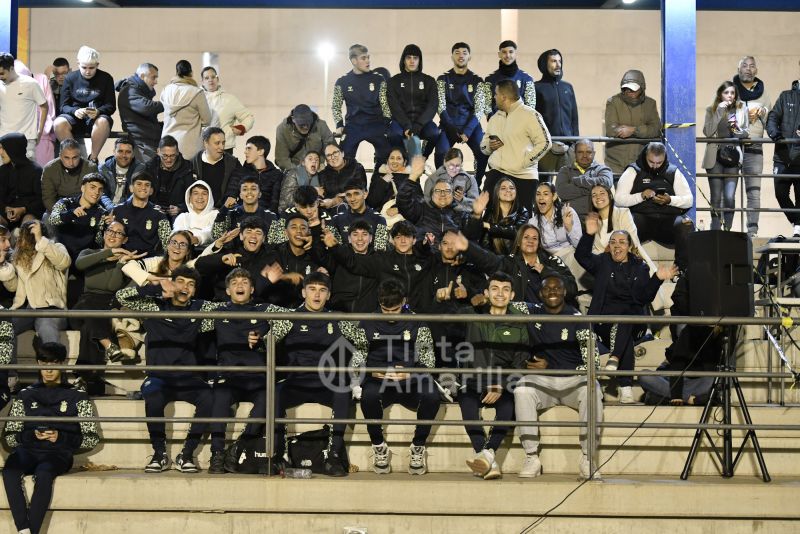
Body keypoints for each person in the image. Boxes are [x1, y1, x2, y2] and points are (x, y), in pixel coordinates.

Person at [115, 266, 222, 473]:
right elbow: (122, 297)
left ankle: (187, 454)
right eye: (180, 282)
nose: (185, 287)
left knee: (209, 398)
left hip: (188, 377)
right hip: (159, 376)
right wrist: (154, 288)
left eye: (191, 285)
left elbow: (228, 310)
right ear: (172, 283)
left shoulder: (200, 308)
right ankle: (159, 453)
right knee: (153, 394)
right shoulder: (155, 305)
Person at [265, 271, 361, 477]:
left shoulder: (337, 319)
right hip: (296, 381)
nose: (317, 295)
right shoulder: (289, 318)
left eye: (322, 290)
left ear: (328, 295)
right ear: (303, 292)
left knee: (343, 391)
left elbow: (363, 341)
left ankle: (333, 456)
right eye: (312, 289)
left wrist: (356, 373)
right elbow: (268, 342)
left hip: (326, 382)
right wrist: (258, 339)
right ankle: (278, 455)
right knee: (275, 392)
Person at [576, 220, 678, 404]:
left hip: (631, 324)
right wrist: (589, 234)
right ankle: (612, 387)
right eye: (613, 242)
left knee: (625, 318)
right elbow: (581, 256)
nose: (617, 246)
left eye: (622, 242)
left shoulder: (639, 266)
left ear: (629, 246)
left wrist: (657, 279)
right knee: (605, 331)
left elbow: (643, 298)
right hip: (602, 324)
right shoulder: (602, 262)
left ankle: (617, 365)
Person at [2, 341, 99, 534]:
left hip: (59, 453)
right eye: (43, 364)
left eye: (53, 364)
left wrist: (60, 437)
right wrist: (30, 435)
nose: (48, 370)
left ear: (62, 364)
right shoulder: (25, 395)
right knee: (10, 471)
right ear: (38, 363)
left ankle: (32, 530)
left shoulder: (78, 395)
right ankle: (24, 529)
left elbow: (91, 438)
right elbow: (10, 436)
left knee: (45, 474)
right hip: (27, 450)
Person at [513, 275, 602, 480]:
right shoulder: (533, 312)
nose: (552, 292)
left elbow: (593, 363)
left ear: (564, 292)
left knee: (592, 386)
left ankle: (588, 459)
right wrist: (482, 297)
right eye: (547, 289)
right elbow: (506, 302)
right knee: (522, 388)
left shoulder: (578, 319)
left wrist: (553, 365)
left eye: (557, 288)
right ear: (540, 293)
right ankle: (531, 457)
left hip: (572, 380)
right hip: (545, 382)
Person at [352, 278, 440, 476]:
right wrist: (370, 372)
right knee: (369, 396)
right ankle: (378, 446)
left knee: (432, 396)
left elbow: (429, 361)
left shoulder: (418, 322)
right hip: (378, 377)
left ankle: (418, 446)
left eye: (396, 310)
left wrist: (410, 372)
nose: (390, 315)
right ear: (379, 304)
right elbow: (357, 360)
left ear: (404, 302)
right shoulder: (366, 323)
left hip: (411, 377)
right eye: (386, 310)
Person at [458, 271, 526, 480]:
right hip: (474, 379)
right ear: (486, 292)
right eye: (495, 289)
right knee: (468, 406)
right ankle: (488, 459)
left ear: (512, 295)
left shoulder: (520, 321)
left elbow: (520, 360)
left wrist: (502, 384)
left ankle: (486, 456)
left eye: (505, 290)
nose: (500, 294)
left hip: (501, 380)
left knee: (508, 407)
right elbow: (445, 316)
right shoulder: (474, 314)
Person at [207, 268, 271, 473]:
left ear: (252, 289)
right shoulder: (217, 312)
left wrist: (264, 336)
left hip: (256, 376)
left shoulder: (264, 311)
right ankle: (217, 454)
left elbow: (291, 319)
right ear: (227, 290)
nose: (240, 286)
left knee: (269, 396)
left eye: (244, 282)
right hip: (228, 375)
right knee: (220, 397)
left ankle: (240, 445)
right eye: (235, 283)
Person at [72, 220, 143, 393]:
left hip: (107, 306)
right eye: (110, 230)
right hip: (84, 304)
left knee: (89, 327)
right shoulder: (89, 252)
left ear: (124, 240)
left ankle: (84, 377)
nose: (113, 235)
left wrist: (119, 263)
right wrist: (108, 253)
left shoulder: (126, 263)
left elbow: (111, 287)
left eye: (119, 233)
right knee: (89, 310)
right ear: (103, 234)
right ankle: (107, 344)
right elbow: (79, 264)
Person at [614, 142, 694, 271]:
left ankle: (682, 271)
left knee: (686, 225)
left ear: (664, 158)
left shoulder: (673, 171)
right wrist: (641, 196)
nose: (655, 166)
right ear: (646, 156)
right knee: (629, 222)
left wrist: (670, 200)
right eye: (651, 162)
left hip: (668, 221)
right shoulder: (633, 170)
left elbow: (689, 200)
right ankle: (626, 270)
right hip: (642, 219)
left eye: (659, 163)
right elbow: (618, 200)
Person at [453, 224, 577, 306]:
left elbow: (572, 289)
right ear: (518, 242)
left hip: (551, 318)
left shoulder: (552, 261)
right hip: (522, 322)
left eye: (534, 238)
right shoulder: (510, 262)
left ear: (539, 243)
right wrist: (468, 247)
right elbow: (490, 261)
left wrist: (546, 272)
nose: (530, 241)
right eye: (526, 237)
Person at [481, 79, 552, 212]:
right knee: (487, 217)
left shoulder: (530, 115)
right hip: (496, 174)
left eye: (495, 94)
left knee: (522, 225)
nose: (494, 97)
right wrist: (489, 146)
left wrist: (525, 161)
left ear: (503, 97)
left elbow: (546, 142)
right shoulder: (495, 117)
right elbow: (483, 146)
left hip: (523, 177)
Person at [8, 220, 70, 351]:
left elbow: (63, 263)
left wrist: (40, 239)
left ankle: (52, 367)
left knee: (46, 327)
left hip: (52, 308)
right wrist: (3, 268)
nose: (20, 240)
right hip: (29, 309)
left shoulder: (55, 247)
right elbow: (15, 287)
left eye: (24, 235)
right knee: (5, 328)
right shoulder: (19, 257)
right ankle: (8, 370)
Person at [53, 46, 115, 163]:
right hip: (74, 116)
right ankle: (75, 157)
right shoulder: (70, 78)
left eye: (91, 68)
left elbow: (111, 105)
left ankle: (93, 158)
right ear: (78, 64)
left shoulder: (106, 78)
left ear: (97, 65)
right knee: (58, 123)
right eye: (84, 67)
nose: (87, 71)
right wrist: (75, 111)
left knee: (102, 121)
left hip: (97, 117)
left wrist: (98, 111)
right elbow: (63, 106)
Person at [437, 42, 488, 183]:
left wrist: (468, 130)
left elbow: (479, 109)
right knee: (441, 152)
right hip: (449, 124)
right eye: (457, 53)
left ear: (469, 57)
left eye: (464, 53)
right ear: (452, 56)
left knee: (483, 152)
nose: (461, 56)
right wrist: (452, 129)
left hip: (470, 125)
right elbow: (440, 107)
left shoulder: (477, 81)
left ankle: (476, 183)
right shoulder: (442, 79)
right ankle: (443, 184)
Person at [702, 81, 750, 231]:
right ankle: (715, 228)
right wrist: (718, 113)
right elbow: (708, 132)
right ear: (720, 94)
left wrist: (737, 131)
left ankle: (727, 228)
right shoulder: (712, 110)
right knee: (716, 196)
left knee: (729, 197)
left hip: (733, 156)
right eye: (726, 93)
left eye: (732, 93)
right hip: (715, 156)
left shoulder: (741, 109)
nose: (729, 96)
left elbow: (746, 132)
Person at [332, 44, 392, 164]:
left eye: (368, 57)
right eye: (363, 58)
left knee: (387, 156)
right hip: (353, 125)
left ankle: (379, 179)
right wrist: (339, 124)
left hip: (376, 124)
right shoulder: (342, 81)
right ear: (354, 61)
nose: (368, 61)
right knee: (343, 158)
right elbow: (336, 106)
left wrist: (386, 122)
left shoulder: (379, 79)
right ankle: (350, 181)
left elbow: (385, 104)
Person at [733, 56, 771, 237]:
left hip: (755, 147)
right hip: (731, 146)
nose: (748, 69)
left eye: (752, 66)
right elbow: (721, 111)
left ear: (756, 70)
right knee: (728, 192)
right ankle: (725, 230)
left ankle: (752, 232)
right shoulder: (730, 89)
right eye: (745, 66)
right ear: (738, 69)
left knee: (754, 193)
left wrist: (762, 112)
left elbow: (770, 120)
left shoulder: (764, 93)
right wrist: (741, 113)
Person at [530, 181, 588, 293]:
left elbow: (579, 245)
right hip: (554, 262)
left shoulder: (567, 212)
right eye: (538, 194)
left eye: (546, 194)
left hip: (573, 255)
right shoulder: (533, 222)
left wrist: (569, 227)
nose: (541, 197)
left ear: (554, 196)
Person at [387, 44, 441, 161]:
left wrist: (418, 125)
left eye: (415, 58)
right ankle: (403, 157)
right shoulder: (393, 81)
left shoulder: (429, 81)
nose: (412, 61)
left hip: (422, 122)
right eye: (408, 58)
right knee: (393, 134)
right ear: (403, 60)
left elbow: (432, 105)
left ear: (419, 60)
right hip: (400, 122)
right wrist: (406, 125)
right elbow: (394, 105)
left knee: (434, 133)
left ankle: (423, 156)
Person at [397, 156, 469, 241]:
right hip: (425, 253)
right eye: (438, 191)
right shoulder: (421, 209)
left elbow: (472, 234)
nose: (442, 194)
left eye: (447, 191)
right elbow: (403, 202)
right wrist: (413, 176)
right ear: (432, 194)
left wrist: (477, 216)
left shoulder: (461, 212)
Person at [604, 70, 661, 175]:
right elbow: (611, 130)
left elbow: (656, 129)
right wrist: (643, 129)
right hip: (616, 163)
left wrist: (633, 130)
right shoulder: (613, 102)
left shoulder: (650, 104)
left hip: (642, 163)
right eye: (626, 88)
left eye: (633, 89)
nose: (629, 91)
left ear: (642, 88)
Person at [535, 49, 579, 175]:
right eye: (554, 61)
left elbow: (574, 118)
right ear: (544, 64)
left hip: (567, 148)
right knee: (543, 186)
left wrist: (574, 143)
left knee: (568, 185)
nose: (558, 64)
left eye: (560, 61)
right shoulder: (536, 88)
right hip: (546, 148)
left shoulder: (568, 87)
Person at [766, 76, 800, 236]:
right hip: (782, 155)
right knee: (780, 194)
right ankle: (798, 221)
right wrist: (775, 133)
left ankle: (798, 229)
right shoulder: (786, 96)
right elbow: (772, 117)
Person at [49, 173, 106, 263]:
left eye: (100, 189)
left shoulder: (101, 212)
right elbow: (52, 219)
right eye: (92, 187)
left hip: (83, 259)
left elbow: (98, 242)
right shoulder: (65, 203)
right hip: (62, 255)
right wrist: (71, 213)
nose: (97, 192)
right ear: (82, 188)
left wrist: (108, 227)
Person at [160, 60, 212, 160]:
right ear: (191, 73)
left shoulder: (166, 90)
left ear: (176, 73)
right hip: (190, 146)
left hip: (166, 145)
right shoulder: (196, 93)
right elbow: (207, 120)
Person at [108, 173, 171, 255]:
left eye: (147, 185)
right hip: (120, 257)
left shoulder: (159, 215)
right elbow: (103, 237)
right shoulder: (117, 210)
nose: (143, 187)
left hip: (147, 261)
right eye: (139, 184)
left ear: (151, 191)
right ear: (131, 188)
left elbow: (167, 243)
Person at [0, 53, 48, 160]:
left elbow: (44, 106)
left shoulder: (31, 84)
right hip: (3, 139)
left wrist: (40, 131)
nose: (0, 76)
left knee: (26, 175)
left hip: (27, 140)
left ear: (12, 68)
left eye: (2, 73)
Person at [463, 180, 528, 255]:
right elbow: (477, 236)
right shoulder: (489, 211)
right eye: (503, 188)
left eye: (511, 188)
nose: (508, 190)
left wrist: (489, 225)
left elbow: (517, 232)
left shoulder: (522, 211)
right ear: (497, 192)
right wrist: (476, 215)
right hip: (491, 258)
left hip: (514, 259)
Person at [115, 62, 163, 163]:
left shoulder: (138, 90)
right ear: (142, 76)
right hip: (141, 145)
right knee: (146, 175)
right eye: (153, 77)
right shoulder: (129, 90)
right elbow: (147, 108)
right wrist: (166, 104)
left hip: (146, 143)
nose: (156, 81)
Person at [555, 139, 613, 222]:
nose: (584, 155)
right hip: (570, 220)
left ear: (594, 153)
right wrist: (593, 191)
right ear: (575, 153)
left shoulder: (603, 169)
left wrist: (580, 180)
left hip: (598, 220)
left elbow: (606, 183)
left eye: (588, 152)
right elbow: (562, 192)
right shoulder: (565, 170)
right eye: (580, 152)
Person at [328, 220, 379, 313]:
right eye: (355, 234)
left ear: (371, 238)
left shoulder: (378, 258)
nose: (360, 239)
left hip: (368, 317)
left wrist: (335, 247)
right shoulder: (338, 255)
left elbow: (355, 263)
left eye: (364, 234)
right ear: (349, 239)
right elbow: (320, 257)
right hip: (340, 315)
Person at [200, 66, 254, 154]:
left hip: (225, 147)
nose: (210, 80)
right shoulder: (197, 100)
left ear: (217, 79)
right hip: (203, 148)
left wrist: (242, 127)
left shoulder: (230, 99)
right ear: (202, 81)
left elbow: (248, 117)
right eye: (206, 78)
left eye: (213, 77)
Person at [329, 178, 388, 251]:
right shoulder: (336, 220)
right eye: (348, 195)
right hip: (345, 261)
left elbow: (380, 252)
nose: (352, 199)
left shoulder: (379, 219)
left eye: (356, 194)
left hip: (370, 261)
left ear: (365, 194)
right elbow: (336, 252)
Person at [212, 176, 278, 242]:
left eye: (253, 189)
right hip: (233, 251)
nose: (249, 192)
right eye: (245, 189)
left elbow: (277, 243)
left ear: (259, 194)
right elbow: (216, 235)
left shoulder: (271, 216)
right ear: (240, 195)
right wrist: (224, 209)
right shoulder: (230, 213)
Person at [190, 126, 242, 209]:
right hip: (199, 212)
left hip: (225, 211)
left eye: (223, 143)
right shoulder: (192, 164)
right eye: (217, 143)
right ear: (205, 143)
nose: (221, 147)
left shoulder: (233, 163)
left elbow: (235, 187)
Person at [41, 138, 98, 212]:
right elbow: (48, 198)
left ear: (80, 155)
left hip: (85, 207)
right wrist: (62, 214)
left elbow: (95, 195)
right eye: (66, 158)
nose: (71, 163)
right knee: (47, 221)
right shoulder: (50, 169)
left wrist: (83, 210)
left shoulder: (90, 168)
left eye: (75, 158)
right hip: (58, 208)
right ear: (60, 156)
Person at [0, 132, 44, 227]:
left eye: (3, 148)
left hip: (29, 212)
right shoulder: (2, 171)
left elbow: (41, 199)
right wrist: (5, 208)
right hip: (6, 214)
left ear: (13, 149)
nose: (0, 152)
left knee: (28, 224)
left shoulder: (36, 170)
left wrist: (23, 209)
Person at [145, 135, 195, 219]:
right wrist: (151, 206)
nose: (168, 160)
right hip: (153, 211)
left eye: (172, 156)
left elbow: (193, 197)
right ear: (158, 152)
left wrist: (180, 208)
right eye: (165, 155)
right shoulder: (150, 167)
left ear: (177, 152)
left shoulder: (187, 169)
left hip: (177, 214)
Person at [274, 104, 334, 172]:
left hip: (318, 167)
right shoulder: (283, 129)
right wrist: (299, 172)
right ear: (293, 119)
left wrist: (323, 165)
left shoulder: (321, 125)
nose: (305, 127)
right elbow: (282, 158)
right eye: (301, 124)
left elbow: (331, 147)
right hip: (294, 169)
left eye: (307, 123)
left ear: (311, 118)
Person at [484, 40, 536, 116]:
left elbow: (531, 106)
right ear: (499, 54)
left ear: (515, 54)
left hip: (520, 123)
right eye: (504, 52)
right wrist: (493, 120)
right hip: (498, 124)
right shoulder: (489, 80)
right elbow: (487, 106)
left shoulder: (527, 79)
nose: (508, 55)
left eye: (511, 52)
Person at [423, 147, 480, 214]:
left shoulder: (469, 179)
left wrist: (463, 199)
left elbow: (476, 205)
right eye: (451, 165)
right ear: (445, 162)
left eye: (458, 166)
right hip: (439, 216)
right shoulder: (433, 178)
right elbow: (427, 202)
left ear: (462, 164)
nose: (454, 169)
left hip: (461, 217)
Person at [97, 135, 147, 206]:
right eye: (120, 151)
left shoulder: (140, 169)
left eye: (128, 152)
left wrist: (122, 209)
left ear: (133, 154)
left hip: (129, 208)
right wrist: (111, 208)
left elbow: (138, 194)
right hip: (106, 207)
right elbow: (101, 193)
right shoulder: (103, 168)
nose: (124, 155)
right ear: (114, 152)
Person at [319, 141, 368, 211]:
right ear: (326, 160)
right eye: (329, 155)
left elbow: (359, 192)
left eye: (335, 153)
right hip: (331, 211)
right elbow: (323, 195)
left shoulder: (356, 168)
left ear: (342, 153)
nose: (333, 157)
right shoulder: (323, 174)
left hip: (354, 209)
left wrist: (336, 200)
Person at [366, 146, 410, 224]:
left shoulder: (411, 177)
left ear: (405, 162)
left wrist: (398, 209)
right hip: (380, 218)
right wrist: (383, 181)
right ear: (387, 160)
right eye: (392, 158)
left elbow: (417, 200)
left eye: (399, 158)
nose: (395, 161)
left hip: (403, 217)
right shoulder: (379, 175)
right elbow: (371, 202)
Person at [240, 135, 283, 213]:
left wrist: (268, 216)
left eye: (249, 148)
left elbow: (275, 201)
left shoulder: (276, 174)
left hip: (265, 216)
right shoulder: (242, 171)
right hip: (243, 213)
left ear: (261, 151)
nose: (245, 152)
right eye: (246, 149)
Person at [173, 180, 218, 249]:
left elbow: (211, 233)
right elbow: (176, 235)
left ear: (210, 197)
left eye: (204, 193)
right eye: (196, 193)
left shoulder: (216, 215)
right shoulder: (183, 217)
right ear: (189, 198)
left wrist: (197, 239)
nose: (200, 197)